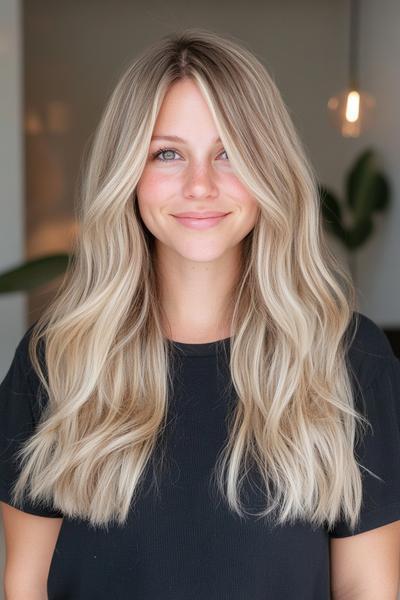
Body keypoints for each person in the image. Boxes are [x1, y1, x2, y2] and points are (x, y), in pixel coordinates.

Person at [1, 28, 400, 600]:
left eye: (229, 153)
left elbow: (369, 586)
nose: (200, 186)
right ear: (128, 174)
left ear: (270, 171)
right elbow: (24, 584)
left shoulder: (347, 356)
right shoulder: (57, 358)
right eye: (168, 154)